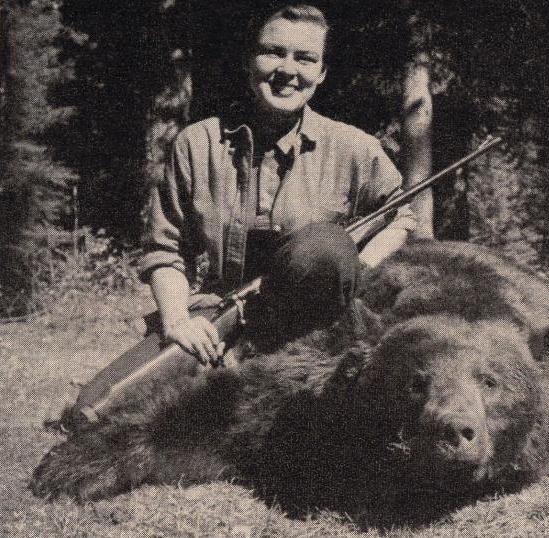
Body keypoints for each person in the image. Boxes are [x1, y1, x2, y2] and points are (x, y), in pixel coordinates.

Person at [67, 3, 416, 421]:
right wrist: (179, 321)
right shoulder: (197, 145)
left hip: (312, 332)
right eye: (273, 52)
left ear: (321, 73)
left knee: (324, 247)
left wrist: (357, 263)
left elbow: (401, 216)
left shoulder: (354, 149)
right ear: (249, 63)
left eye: (305, 58)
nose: (288, 70)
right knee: (97, 409)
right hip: (219, 319)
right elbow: (164, 249)